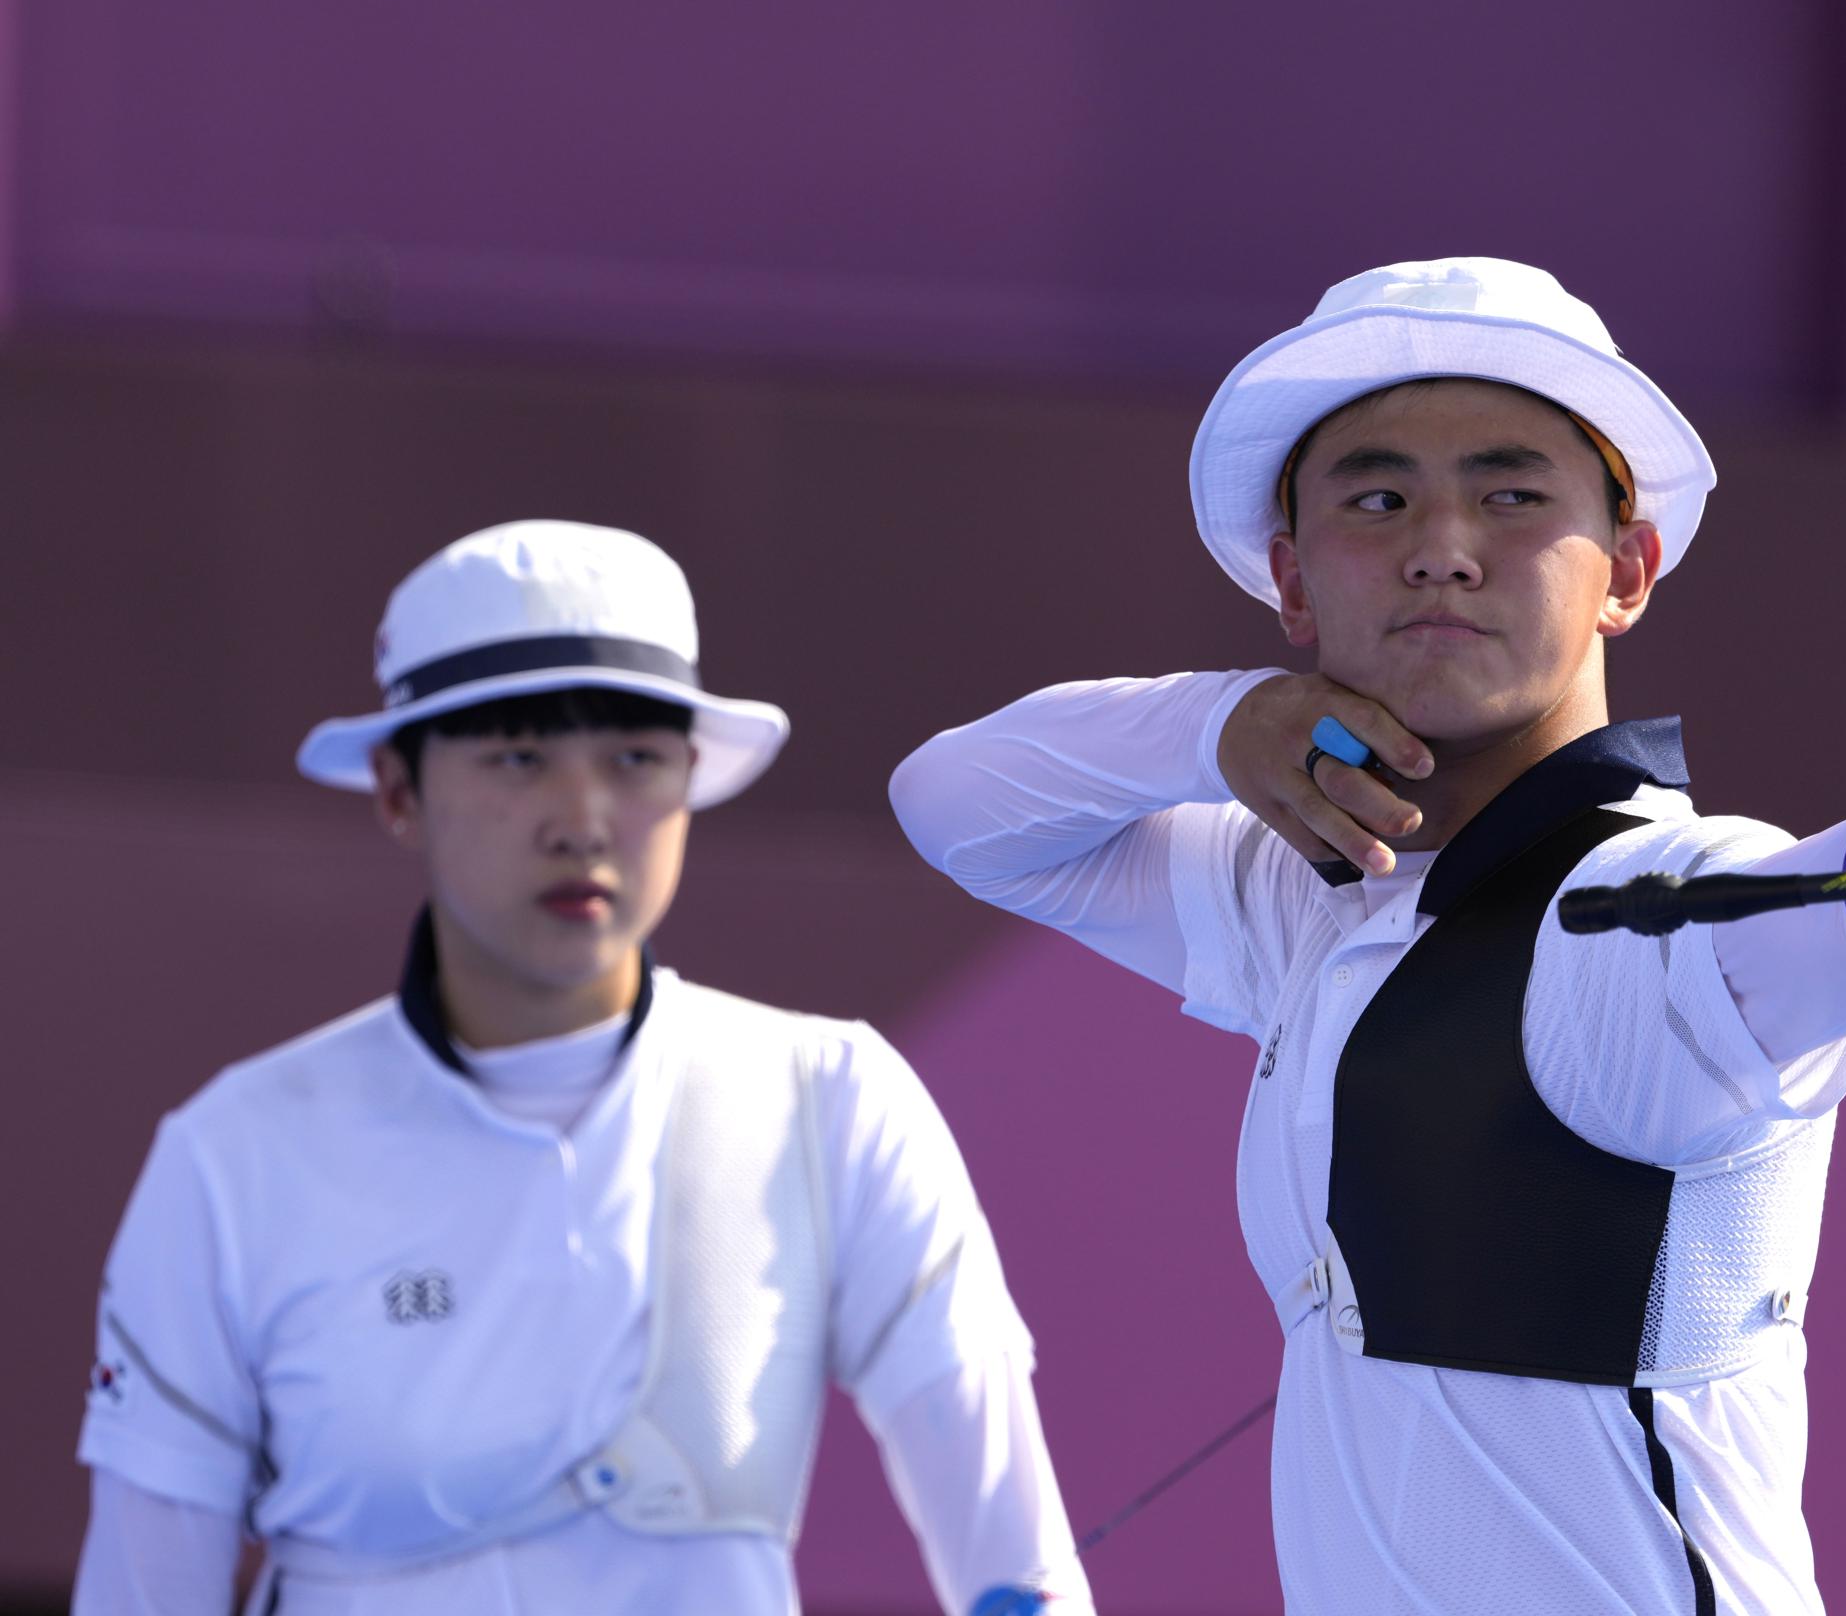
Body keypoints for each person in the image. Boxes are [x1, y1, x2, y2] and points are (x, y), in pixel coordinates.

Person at [889, 258, 1846, 1613]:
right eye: (1378, 499)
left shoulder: (1655, 914)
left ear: (1625, 567)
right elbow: (956, 805)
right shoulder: (1310, 901)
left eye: (1511, 492)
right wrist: (1214, 721)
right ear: (1295, 583)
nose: (1443, 548)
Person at [76, 521, 1093, 1615]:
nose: (584, 820)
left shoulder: (832, 1093)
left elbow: (1019, 1564)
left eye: (635, 757)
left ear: (691, 779)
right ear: (395, 788)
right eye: (518, 755)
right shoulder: (234, 1151)